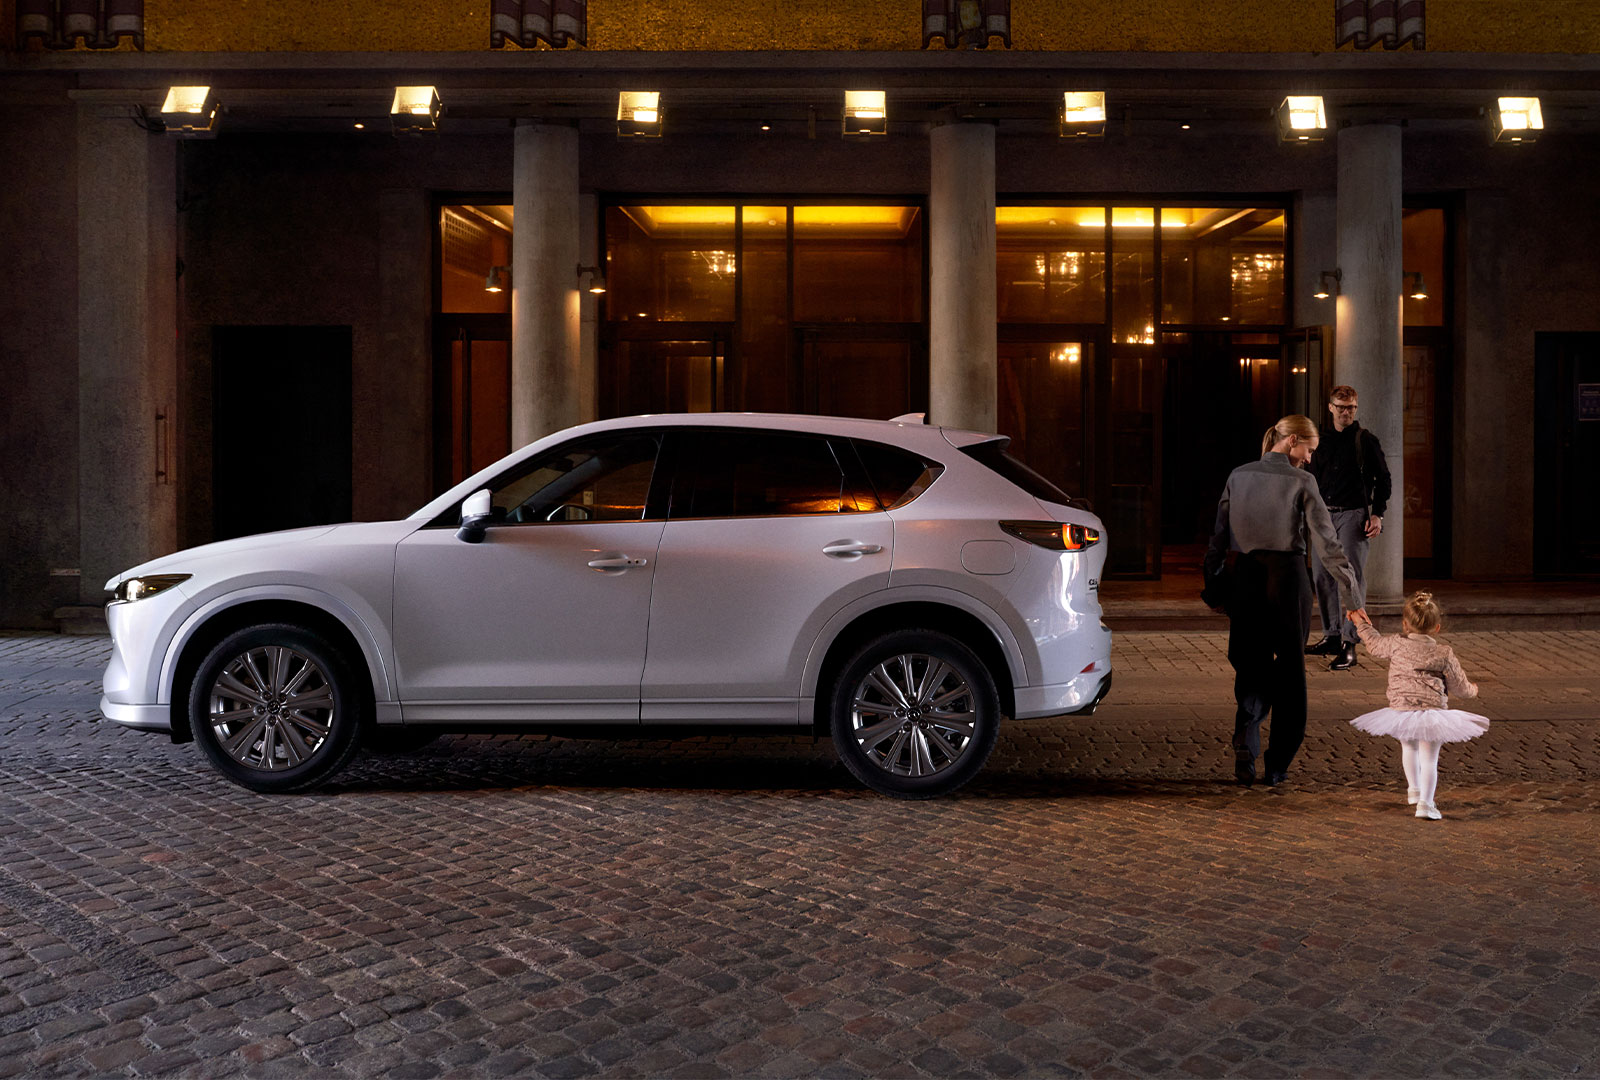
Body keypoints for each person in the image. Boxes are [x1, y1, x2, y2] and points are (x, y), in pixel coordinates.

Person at [1203, 415, 1360, 788]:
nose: (1309, 458)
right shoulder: (1302, 481)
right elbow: (1328, 545)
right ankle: (1277, 764)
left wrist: (1213, 585)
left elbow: (1218, 538)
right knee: (1291, 672)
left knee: (1250, 662)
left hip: (1245, 577)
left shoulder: (1238, 476)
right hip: (1287, 580)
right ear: (1292, 442)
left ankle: (1248, 732)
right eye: (1308, 449)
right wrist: (1351, 593)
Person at [1347, 593, 1488, 820]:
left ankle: (1414, 789)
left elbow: (1373, 643)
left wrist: (1358, 621)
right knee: (1429, 759)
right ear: (1437, 628)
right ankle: (1426, 803)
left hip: (1402, 707)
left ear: (1405, 624)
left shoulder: (1395, 644)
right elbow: (1459, 686)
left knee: (1409, 748)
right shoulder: (1444, 653)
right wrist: (1473, 689)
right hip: (1432, 710)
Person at [1307, 385, 1392, 672]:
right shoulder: (1319, 440)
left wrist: (1378, 514)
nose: (1346, 412)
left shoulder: (1364, 440)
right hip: (1321, 517)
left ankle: (1350, 643)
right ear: (1330, 407)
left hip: (1353, 516)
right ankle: (1332, 635)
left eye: (1351, 408)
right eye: (1341, 407)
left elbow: (1384, 479)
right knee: (1321, 576)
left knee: (1350, 579)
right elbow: (1310, 478)